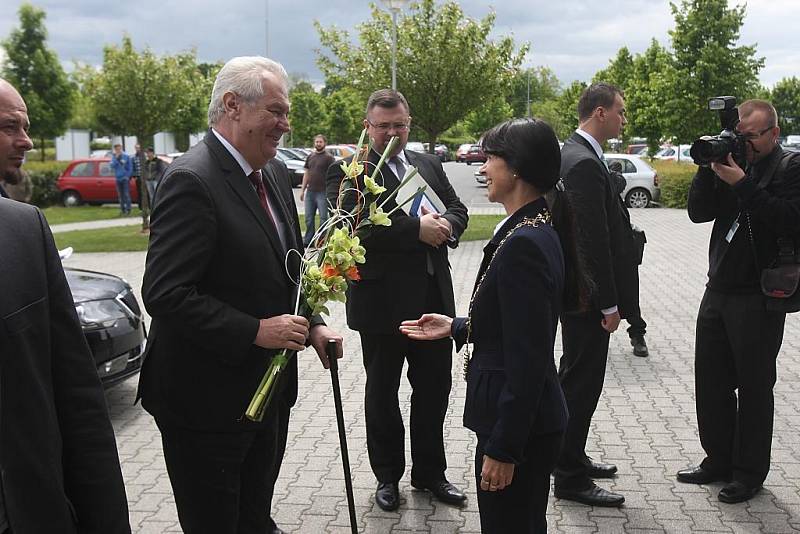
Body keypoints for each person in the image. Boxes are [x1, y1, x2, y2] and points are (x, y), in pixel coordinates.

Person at [137, 56, 343, 534]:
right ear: (232, 105)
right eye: (276, 111)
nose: (286, 125)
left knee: (254, 518)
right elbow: (165, 293)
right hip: (205, 405)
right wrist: (255, 331)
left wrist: (312, 325)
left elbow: (290, 266)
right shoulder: (192, 179)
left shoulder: (269, 173)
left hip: (266, 396)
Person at [400, 118, 586, 533]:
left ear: (516, 168)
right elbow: (515, 325)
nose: (482, 169)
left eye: (490, 159)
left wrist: (505, 448)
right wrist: (457, 327)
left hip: (518, 427)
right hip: (522, 421)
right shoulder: (529, 226)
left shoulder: (525, 242)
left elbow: (530, 358)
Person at [326, 89, 468, 512]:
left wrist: (447, 225)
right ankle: (388, 477)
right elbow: (353, 228)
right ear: (368, 127)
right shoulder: (350, 171)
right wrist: (415, 232)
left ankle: (430, 474)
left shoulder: (427, 163)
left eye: (400, 125)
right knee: (383, 395)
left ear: (410, 123)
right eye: (383, 125)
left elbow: (458, 207)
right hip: (382, 307)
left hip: (433, 301)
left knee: (434, 391)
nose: (393, 132)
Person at [0, 78, 131, 533]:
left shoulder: (22, 230)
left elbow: (75, 395)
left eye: (27, 125)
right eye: (9, 126)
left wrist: (106, 519)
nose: (28, 140)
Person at [678, 99, 800, 503]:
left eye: (751, 136)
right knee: (710, 381)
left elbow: (788, 219)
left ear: (774, 134)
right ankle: (718, 459)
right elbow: (698, 213)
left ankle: (749, 473)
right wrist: (707, 167)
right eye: (739, 134)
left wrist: (741, 183)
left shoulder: (789, 167)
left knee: (753, 386)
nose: (744, 143)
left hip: (759, 294)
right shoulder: (729, 161)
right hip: (718, 289)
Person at [553, 82, 634, 507]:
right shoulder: (582, 161)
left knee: (576, 376)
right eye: (620, 111)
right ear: (599, 113)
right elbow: (592, 241)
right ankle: (568, 478)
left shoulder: (576, 153)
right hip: (586, 298)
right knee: (582, 382)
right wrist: (608, 303)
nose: (624, 119)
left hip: (579, 293)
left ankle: (570, 456)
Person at [608, 161, 649, 358]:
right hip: (603, 247)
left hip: (623, 250)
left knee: (630, 296)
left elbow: (618, 183)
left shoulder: (611, 180)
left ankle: (638, 334)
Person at [300, 134, 335, 247]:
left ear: (325, 143)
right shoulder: (310, 156)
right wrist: (302, 190)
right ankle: (308, 241)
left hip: (323, 192)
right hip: (310, 192)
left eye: (320, 142)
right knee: (309, 218)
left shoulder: (329, 158)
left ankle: (320, 241)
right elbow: (307, 173)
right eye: (316, 142)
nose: (318, 144)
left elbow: (333, 175)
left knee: (323, 218)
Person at [109, 143, 132, 215]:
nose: (118, 150)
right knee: (120, 195)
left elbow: (130, 167)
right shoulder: (113, 156)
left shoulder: (126, 156)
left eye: (119, 148)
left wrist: (127, 176)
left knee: (126, 194)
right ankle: (122, 210)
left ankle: (128, 209)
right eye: (116, 149)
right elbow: (112, 166)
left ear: (121, 148)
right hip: (118, 178)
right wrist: (116, 158)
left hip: (125, 178)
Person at [132, 143, 145, 210]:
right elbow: (133, 168)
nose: (137, 149)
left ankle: (147, 206)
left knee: (146, 192)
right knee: (139, 192)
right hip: (138, 177)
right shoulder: (133, 157)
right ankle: (140, 207)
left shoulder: (144, 156)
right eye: (136, 148)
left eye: (138, 148)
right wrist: (135, 176)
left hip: (144, 178)